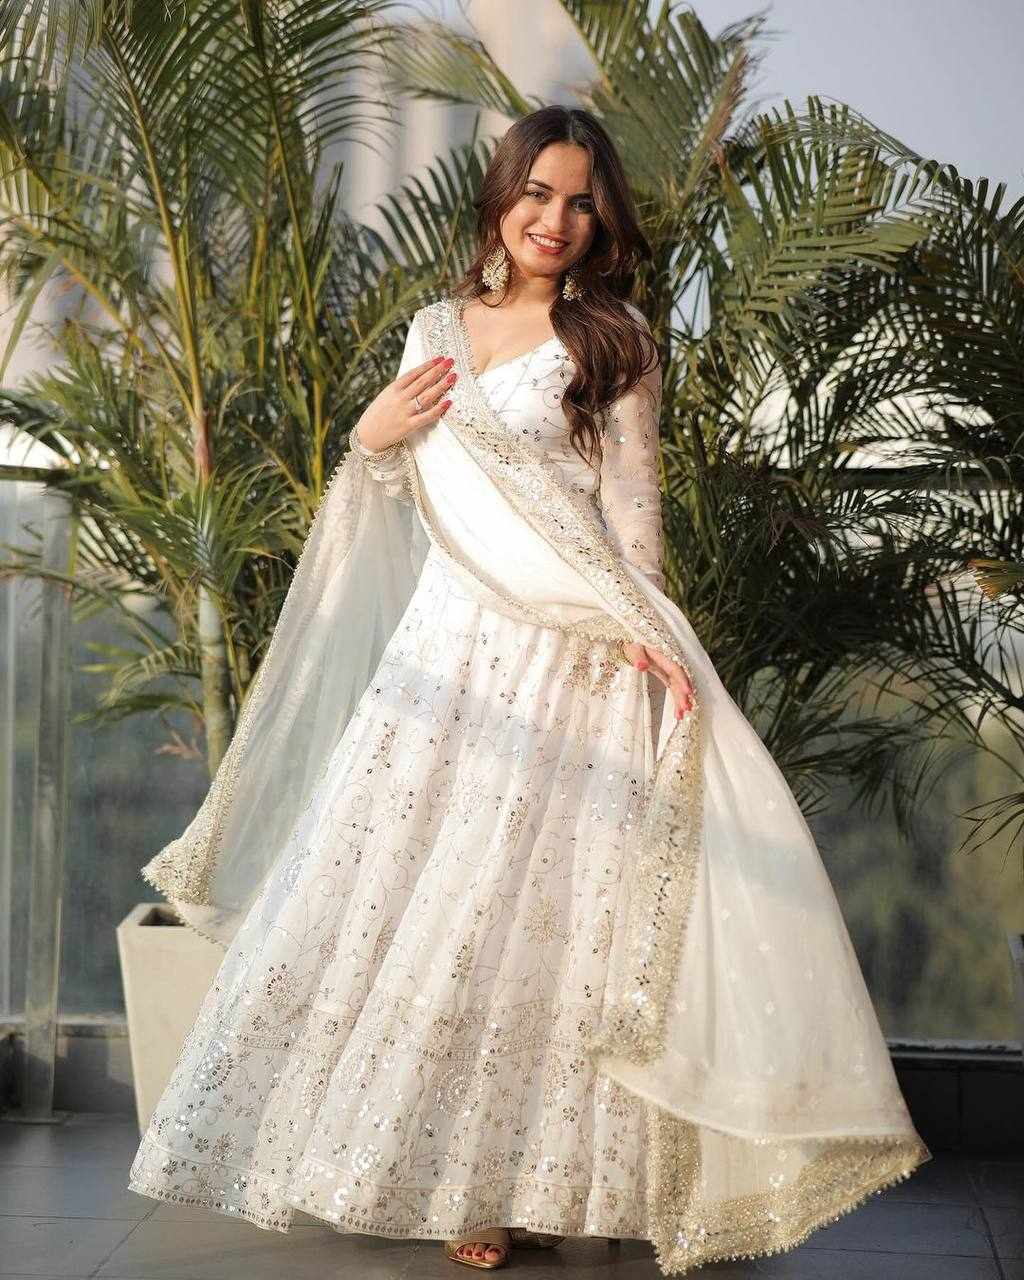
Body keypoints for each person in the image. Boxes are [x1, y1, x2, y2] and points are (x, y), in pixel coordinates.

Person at [127, 105, 930, 1275]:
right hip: (448, 659)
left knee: (551, 924)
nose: (556, 220)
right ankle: (459, 1182)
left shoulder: (615, 341)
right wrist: (370, 433)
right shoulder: (434, 330)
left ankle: (542, 1179)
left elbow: (631, 514)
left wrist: (652, 641)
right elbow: (401, 494)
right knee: (432, 907)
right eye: (538, 193)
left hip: (577, 661)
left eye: (581, 202)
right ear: (501, 197)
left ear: (602, 222)